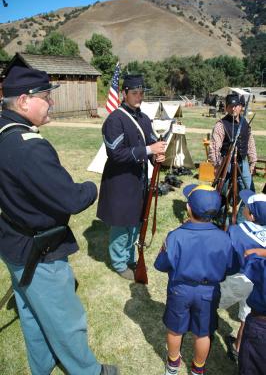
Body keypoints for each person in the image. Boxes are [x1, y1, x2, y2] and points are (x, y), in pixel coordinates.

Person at [0, 66, 118, 375]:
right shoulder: (30, 147)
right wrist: (92, 187)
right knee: (67, 319)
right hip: (40, 251)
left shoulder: (4, 132)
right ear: (24, 101)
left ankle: (43, 366)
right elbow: (72, 199)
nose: (51, 103)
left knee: (31, 312)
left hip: (13, 241)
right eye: (46, 97)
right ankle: (89, 371)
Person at [154, 184, 237, 375]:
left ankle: (173, 364)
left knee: (175, 329)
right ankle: (198, 369)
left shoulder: (176, 236)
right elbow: (231, 267)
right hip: (209, 292)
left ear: (188, 208)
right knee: (203, 332)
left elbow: (161, 265)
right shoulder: (224, 238)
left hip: (179, 290)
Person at [97, 74, 166, 280]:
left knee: (136, 221)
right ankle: (119, 263)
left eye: (141, 93)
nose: (139, 97)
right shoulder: (114, 120)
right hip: (120, 181)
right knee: (122, 223)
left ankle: (129, 256)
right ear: (124, 93)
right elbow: (116, 154)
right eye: (134, 93)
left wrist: (158, 156)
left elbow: (151, 145)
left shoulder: (144, 118)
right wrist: (149, 149)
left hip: (139, 180)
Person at [219, 190, 266, 362]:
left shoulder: (236, 231)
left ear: (252, 216)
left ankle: (203, 328)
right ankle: (238, 347)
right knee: (248, 315)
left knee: (213, 302)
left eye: (246, 206)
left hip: (237, 278)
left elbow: (225, 258)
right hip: (259, 282)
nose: (243, 207)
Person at [208, 93, 257, 223]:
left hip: (243, 162)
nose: (233, 109)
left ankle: (241, 220)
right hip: (226, 162)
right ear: (227, 108)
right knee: (222, 192)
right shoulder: (221, 124)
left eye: (236, 106)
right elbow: (214, 147)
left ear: (241, 107)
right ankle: (220, 218)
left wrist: (253, 161)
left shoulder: (245, 122)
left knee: (249, 192)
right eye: (230, 106)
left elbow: (250, 142)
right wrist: (217, 165)